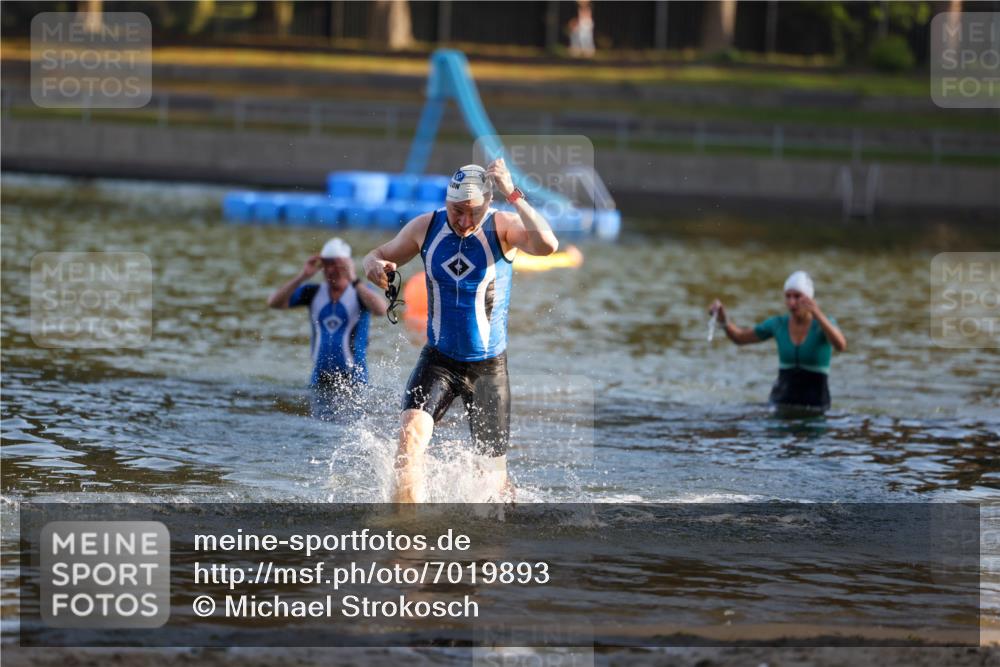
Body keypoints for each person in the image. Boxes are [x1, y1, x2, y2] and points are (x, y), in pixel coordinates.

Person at [362, 159, 559, 503]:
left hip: (488, 370)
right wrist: (373, 265)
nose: (465, 222)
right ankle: (406, 535)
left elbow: (547, 245)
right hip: (438, 361)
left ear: (489, 204)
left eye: (474, 212)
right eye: (457, 212)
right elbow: (378, 254)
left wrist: (513, 193)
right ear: (446, 202)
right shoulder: (426, 227)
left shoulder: (503, 228)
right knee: (409, 439)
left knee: (492, 486)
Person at [268, 237, 388, 419]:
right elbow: (274, 303)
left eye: (337, 265)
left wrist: (354, 279)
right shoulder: (313, 292)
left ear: (347, 266)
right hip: (319, 377)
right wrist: (303, 276)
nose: (331, 270)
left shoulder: (360, 292)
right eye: (327, 265)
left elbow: (381, 309)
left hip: (354, 380)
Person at [710, 270, 847, 411]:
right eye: (788, 296)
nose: (792, 302)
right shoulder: (778, 324)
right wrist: (723, 320)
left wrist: (817, 314)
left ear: (809, 298)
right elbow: (739, 338)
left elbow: (841, 345)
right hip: (781, 404)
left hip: (816, 407)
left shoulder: (823, 325)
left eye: (797, 296)